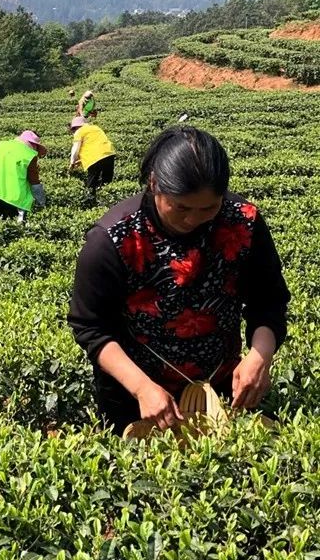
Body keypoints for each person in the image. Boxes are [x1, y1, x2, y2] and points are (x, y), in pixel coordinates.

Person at [68, 127, 290, 436]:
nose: (193, 219)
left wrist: (259, 355)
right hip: (137, 393)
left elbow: (268, 299)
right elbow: (90, 327)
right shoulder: (113, 239)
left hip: (221, 385)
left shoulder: (243, 221)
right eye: (182, 207)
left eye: (208, 207)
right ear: (154, 183)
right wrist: (142, 387)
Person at [0, 131, 47, 220]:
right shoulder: (30, 155)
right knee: (12, 224)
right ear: (33, 145)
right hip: (13, 198)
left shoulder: (2, 145)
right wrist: (41, 202)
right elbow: (34, 183)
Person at [68, 116, 116, 194]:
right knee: (107, 181)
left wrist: (72, 162)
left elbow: (75, 149)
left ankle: (90, 202)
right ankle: (107, 199)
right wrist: (80, 161)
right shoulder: (95, 128)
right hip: (109, 154)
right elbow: (95, 145)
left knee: (91, 183)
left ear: (76, 127)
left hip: (94, 159)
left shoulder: (79, 131)